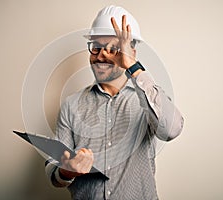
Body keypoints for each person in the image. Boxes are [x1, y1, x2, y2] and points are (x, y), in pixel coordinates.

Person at [45, 5, 184, 200]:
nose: (101, 55)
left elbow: (171, 130)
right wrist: (66, 171)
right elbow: (54, 169)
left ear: (131, 53)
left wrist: (133, 67)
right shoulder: (72, 105)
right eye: (96, 47)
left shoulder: (149, 99)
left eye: (112, 49)